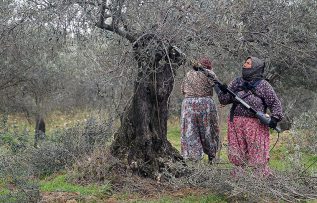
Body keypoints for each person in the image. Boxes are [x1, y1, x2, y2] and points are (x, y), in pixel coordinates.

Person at [215, 56, 283, 177]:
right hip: (236, 123)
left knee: (257, 150)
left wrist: (275, 118)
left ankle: (260, 178)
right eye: (245, 62)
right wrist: (222, 90)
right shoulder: (237, 82)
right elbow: (224, 100)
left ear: (255, 67)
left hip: (256, 124)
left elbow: (274, 103)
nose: (244, 65)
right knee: (237, 151)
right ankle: (239, 177)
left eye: (248, 63)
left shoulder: (263, 85)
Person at [180, 57, 220, 164]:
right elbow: (217, 86)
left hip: (188, 104)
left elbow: (182, 90)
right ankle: (211, 156)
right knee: (208, 129)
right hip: (205, 103)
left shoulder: (188, 74)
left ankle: (193, 158)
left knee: (190, 129)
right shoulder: (209, 74)